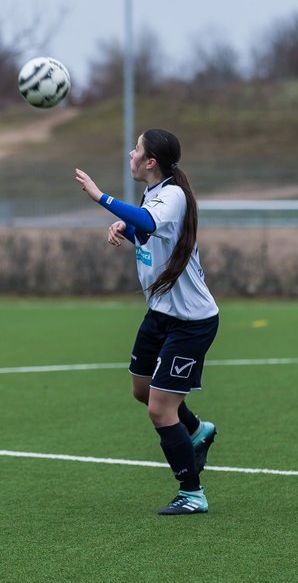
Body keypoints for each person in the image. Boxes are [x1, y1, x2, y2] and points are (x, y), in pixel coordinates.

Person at [75, 129, 220, 516]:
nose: (131, 153)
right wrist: (128, 228)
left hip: (190, 321)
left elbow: (151, 221)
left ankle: (192, 493)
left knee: (159, 409)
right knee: (142, 391)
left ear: (151, 162)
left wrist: (102, 199)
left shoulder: (172, 194)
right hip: (160, 314)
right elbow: (149, 228)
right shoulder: (155, 193)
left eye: (136, 149)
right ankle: (196, 430)